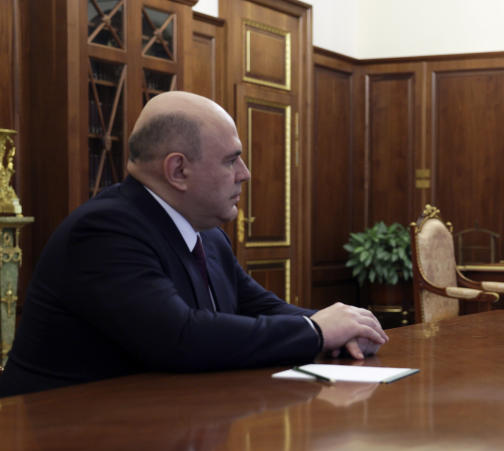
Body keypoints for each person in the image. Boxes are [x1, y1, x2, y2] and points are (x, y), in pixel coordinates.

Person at [0, 91, 387, 397]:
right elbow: (180, 337)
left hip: (163, 433)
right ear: (178, 170)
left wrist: (343, 328)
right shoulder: (106, 231)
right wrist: (316, 332)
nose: (245, 174)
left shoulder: (208, 235)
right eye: (231, 160)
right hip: (67, 447)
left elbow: (261, 308)